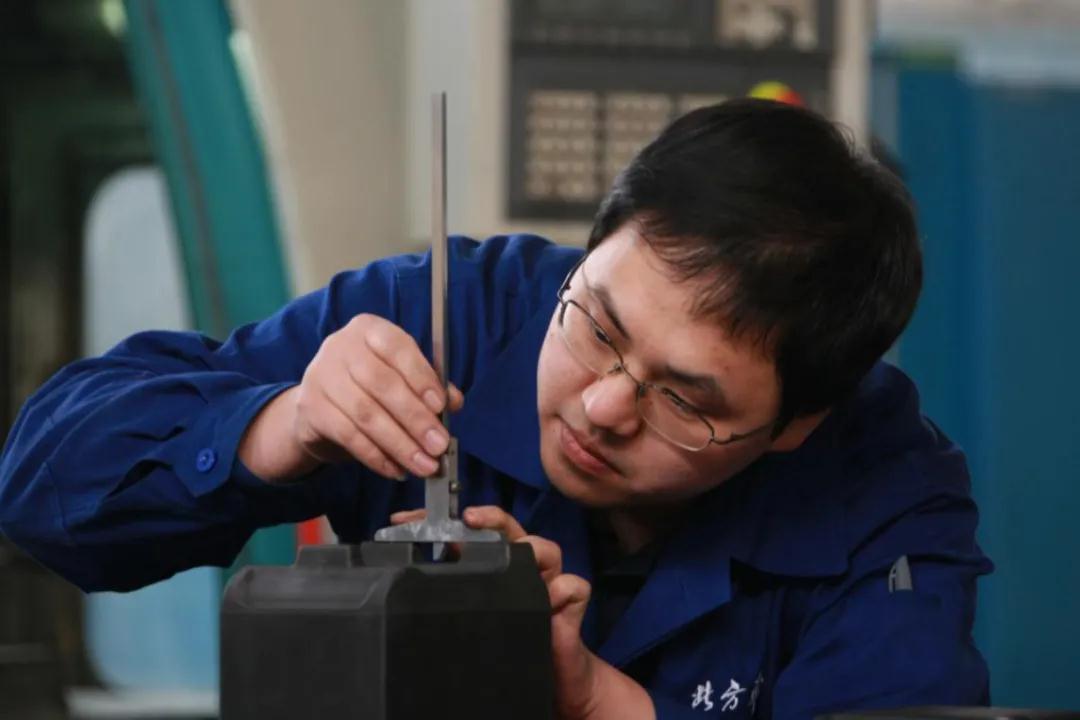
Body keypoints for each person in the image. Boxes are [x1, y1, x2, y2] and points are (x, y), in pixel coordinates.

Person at [0, 99, 992, 719]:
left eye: (685, 399)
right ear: (590, 251)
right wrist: (282, 424)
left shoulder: (885, 487)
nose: (602, 406)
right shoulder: (446, 318)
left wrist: (594, 702)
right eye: (596, 325)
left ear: (797, 424)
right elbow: (43, 493)